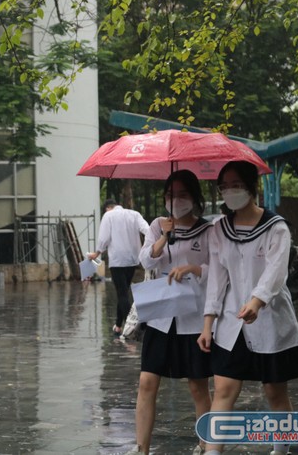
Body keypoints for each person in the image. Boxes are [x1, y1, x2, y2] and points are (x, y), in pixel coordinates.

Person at [197, 161, 298, 455]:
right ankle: (213, 452)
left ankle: (280, 449)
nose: (230, 191)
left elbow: (276, 272)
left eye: (236, 184)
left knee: (275, 392)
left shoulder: (276, 228)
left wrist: (257, 300)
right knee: (224, 389)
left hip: (270, 321)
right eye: (224, 186)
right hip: (230, 324)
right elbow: (216, 279)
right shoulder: (219, 230)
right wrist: (208, 323)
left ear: (252, 187)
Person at [126, 170, 213, 455]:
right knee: (147, 382)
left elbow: (218, 272)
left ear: (195, 198)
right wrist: (164, 235)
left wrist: (193, 269)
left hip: (193, 318)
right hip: (161, 317)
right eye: (170, 195)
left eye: (183, 194)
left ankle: (205, 444)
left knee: (198, 385)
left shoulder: (208, 231)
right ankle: (142, 448)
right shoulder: (157, 225)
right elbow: (146, 260)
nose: (175, 200)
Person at [88, 199, 150, 336]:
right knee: (123, 291)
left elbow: (103, 238)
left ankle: (131, 326)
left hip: (117, 260)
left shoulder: (108, 216)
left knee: (122, 293)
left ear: (108, 208)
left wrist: (97, 253)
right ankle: (118, 325)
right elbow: (147, 229)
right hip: (133, 259)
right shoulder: (134, 214)